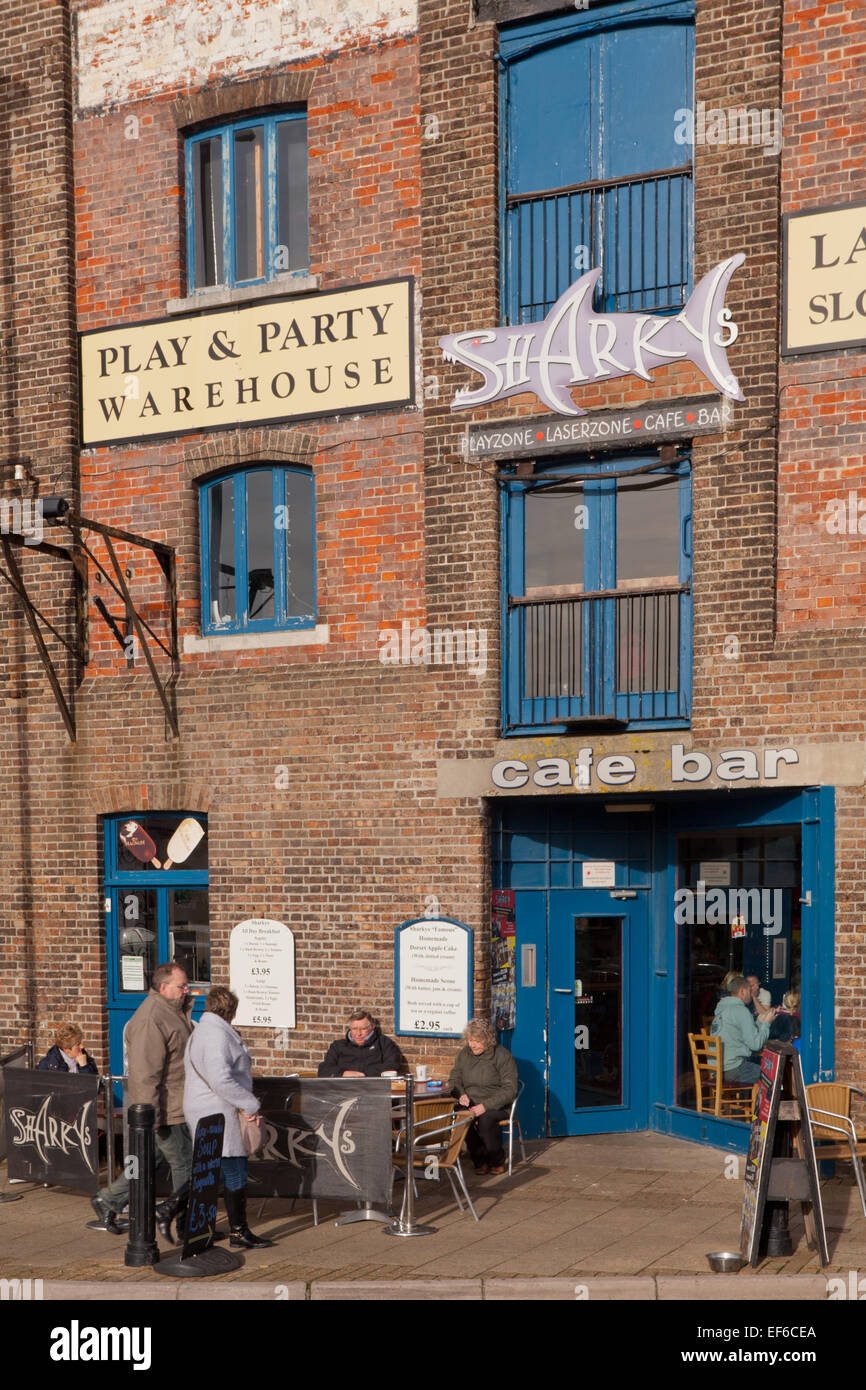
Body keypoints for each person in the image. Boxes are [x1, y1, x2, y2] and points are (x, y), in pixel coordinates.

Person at [89, 961, 194, 1240]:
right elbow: (145, 1074)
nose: (187, 991)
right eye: (181, 986)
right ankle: (187, 1225)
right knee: (186, 1164)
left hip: (173, 1104)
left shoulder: (171, 1011)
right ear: (163, 987)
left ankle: (108, 1200)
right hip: (166, 1110)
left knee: (145, 1161)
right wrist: (153, 1118)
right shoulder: (152, 1018)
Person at [184, 985, 274, 1250]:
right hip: (217, 1109)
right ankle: (238, 1232)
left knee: (210, 1171)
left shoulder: (205, 1031)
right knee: (235, 1170)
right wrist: (249, 1103)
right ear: (231, 1011)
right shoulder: (216, 1035)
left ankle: (203, 1227)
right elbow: (221, 1079)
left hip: (209, 1108)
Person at [448, 1017, 518, 1175]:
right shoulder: (465, 1054)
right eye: (470, 1040)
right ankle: (479, 1160)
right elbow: (454, 1079)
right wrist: (461, 1094)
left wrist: (485, 1106)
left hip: (496, 1105)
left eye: (477, 1041)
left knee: (486, 1120)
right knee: (462, 1116)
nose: (472, 1045)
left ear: (488, 1039)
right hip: (470, 1102)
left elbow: (510, 1089)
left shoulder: (502, 1056)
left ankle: (496, 1159)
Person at [710, 974, 777, 1084]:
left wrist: (761, 1021)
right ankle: (762, 1101)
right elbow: (755, 1045)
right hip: (732, 1070)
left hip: (716, 1070)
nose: (751, 995)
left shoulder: (722, 1009)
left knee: (757, 1066)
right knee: (771, 1073)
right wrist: (767, 1024)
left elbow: (744, 1034)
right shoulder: (741, 1010)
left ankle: (747, 1101)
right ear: (742, 991)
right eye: (749, 991)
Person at [317, 1009, 403, 1078]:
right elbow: (324, 1069)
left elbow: (392, 1066)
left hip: (374, 1090)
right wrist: (344, 1073)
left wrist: (363, 1075)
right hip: (344, 1090)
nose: (358, 1034)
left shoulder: (384, 1044)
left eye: (363, 1029)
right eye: (354, 1029)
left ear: (372, 1027)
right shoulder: (338, 1046)